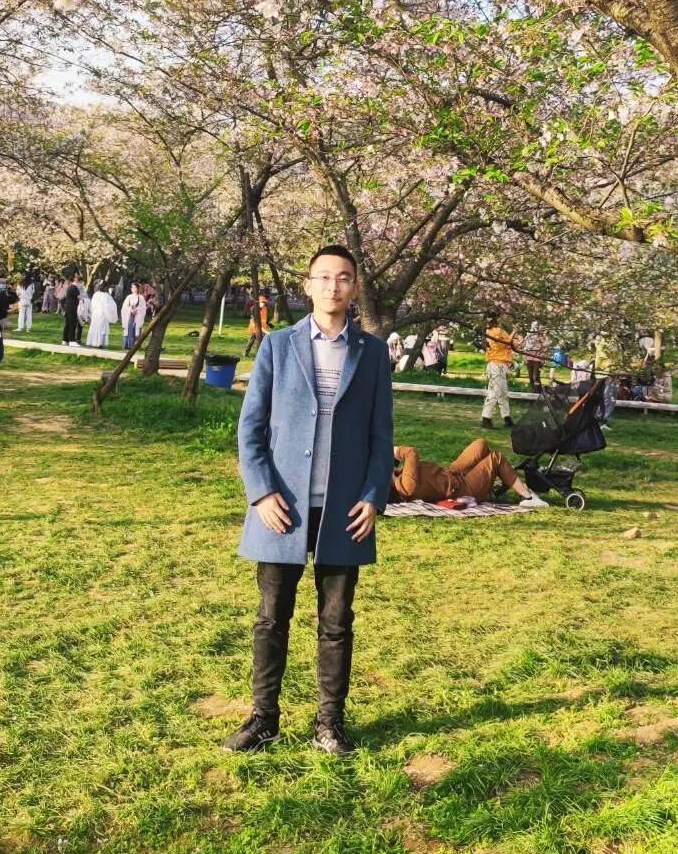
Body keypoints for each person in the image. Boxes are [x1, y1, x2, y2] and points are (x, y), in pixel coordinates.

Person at [228, 244, 393, 756]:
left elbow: (381, 435)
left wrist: (373, 497)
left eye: (343, 277)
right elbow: (251, 428)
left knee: (336, 621)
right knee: (271, 616)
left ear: (354, 287)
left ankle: (329, 722)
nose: (333, 286)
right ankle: (264, 719)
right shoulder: (278, 346)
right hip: (282, 506)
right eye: (323, 277)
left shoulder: (372, 353)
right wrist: (261, 493)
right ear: (307, 285)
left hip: (344, 508)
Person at [391, 436, 545, 508]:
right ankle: (528, 497)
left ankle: (492, 481)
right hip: (462, 490)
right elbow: (410, 452)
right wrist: (388, 450)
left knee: (481, 444)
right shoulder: (406, 486)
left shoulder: (400, 476)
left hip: (452, 474)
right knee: (496, 458)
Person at [481, 318, 517, 426]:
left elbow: (510, 343)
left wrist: (514, 337)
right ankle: (486, 418)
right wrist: (514, 332)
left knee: (503, 393)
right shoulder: (495, 331)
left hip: (500, 364)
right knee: (494, 392)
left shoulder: (493, 331)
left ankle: (507, 418)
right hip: (498, 365)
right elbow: (506, 342)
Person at [87, 283, 117, 347]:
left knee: (95, 327)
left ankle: (93, 341)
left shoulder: (96, 294)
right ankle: (100, 343)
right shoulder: (106, 295)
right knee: (102, 328)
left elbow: (92, 304)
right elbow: (110, 305)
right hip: (102, 314)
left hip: (96, 313)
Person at [522, 322, 547, 392]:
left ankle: (538, 391)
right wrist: (524, 356)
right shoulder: (528, 335)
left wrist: (543, 358)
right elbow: (524, 345)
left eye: (536, 326)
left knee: (535, 376)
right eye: (533, 326)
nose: (534, 328)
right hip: (529, 358)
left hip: (537, 358)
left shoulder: (540, 336)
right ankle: (534, 390)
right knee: (530, 376)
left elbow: (545, 346)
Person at [121, 284, 147, 350]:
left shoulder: (141, 298)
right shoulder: (129, 297)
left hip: (137, 316)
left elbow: (143, 307)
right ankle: (127, 344)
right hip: (129, 315)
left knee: (136, 329)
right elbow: (124, 307)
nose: (134, 289)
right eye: (132, 287)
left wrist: (136, 310)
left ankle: (136, 345)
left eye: (135, 287)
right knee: (128, 328)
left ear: (138, 288)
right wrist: (130, 310)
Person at [60, 275, 82, 344]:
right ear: (78, 281)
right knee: (73, 324)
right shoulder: (74, 288)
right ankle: (72, 340)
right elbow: (80, 297)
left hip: (68, 307)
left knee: (67, 324)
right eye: (80, 282)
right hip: (72, 308)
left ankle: (65, 340)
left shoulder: (69, 287)